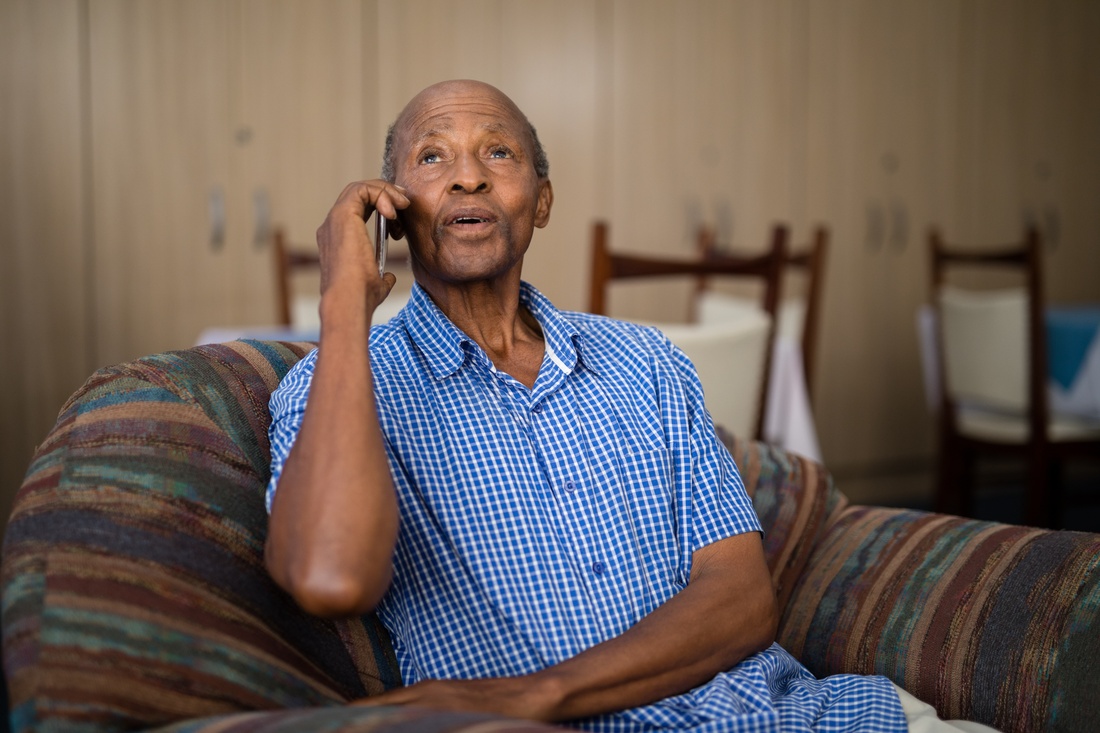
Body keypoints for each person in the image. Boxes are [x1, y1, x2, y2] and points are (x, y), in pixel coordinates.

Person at [264, 79, 996, 733]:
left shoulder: (647, 363)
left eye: (498, 154)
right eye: (431, 158)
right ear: (389, 210)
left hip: (822, 717)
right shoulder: (335, 386)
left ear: (541, 201)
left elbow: (743, 599)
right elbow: (334, 577)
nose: (466, 178)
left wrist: (535, 694)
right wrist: (342, 310)